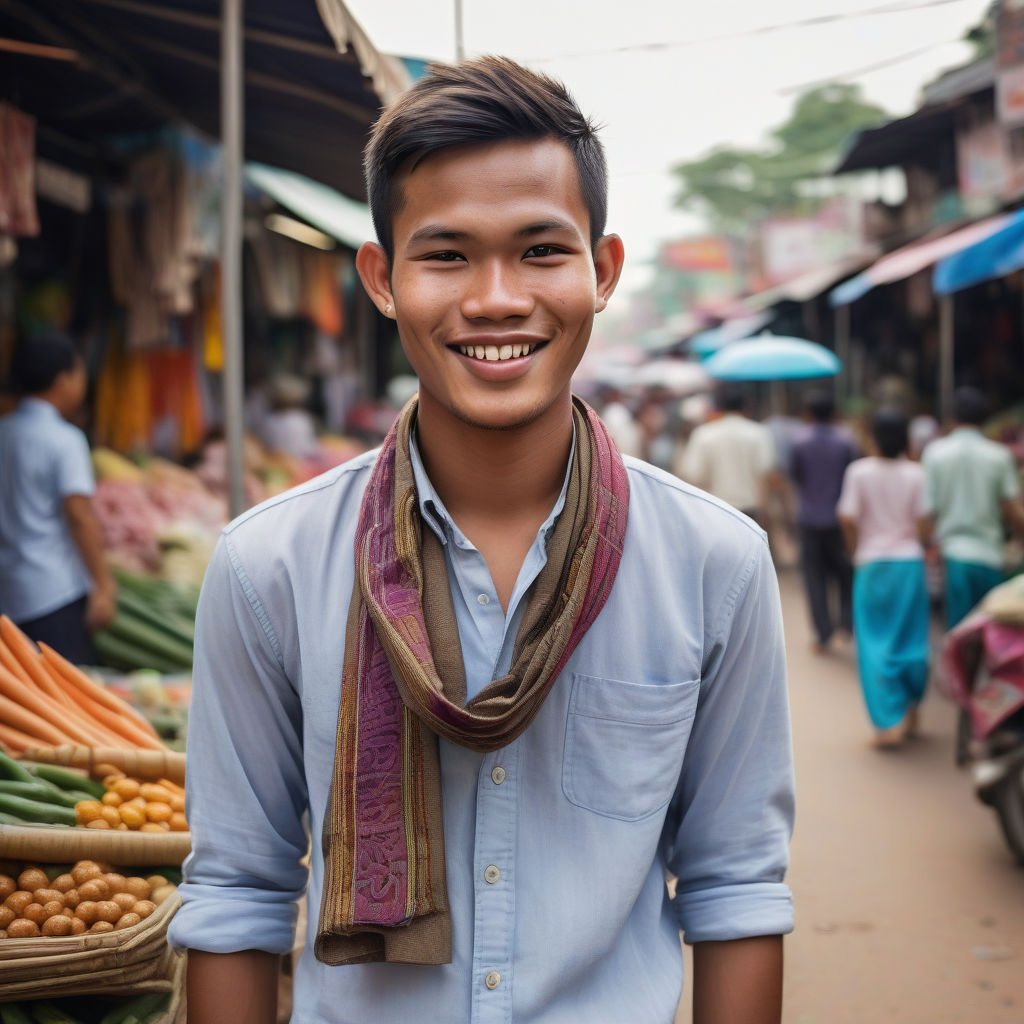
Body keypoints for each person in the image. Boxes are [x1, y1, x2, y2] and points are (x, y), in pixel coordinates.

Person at [170, 57, 794, 1024]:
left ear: (605, 270)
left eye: (542, 250)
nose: (497, 299)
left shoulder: (714, 563)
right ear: (381, 279)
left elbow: (736, 888)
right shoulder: (268, 570)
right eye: (447, 254)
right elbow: (238, 897)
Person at [0, 333, 116, 662]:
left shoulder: (3, 432)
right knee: (63, 702)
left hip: (7, 594)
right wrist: (103, 587)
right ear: (63, 379)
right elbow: (79, 515)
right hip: (53, 595)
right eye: (80, 373)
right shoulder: (65, 440)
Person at [837, 409, 931, 748]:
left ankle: (886, 724)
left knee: (875, 643)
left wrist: (855, 550)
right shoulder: (916, 473)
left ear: (873, 438)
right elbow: (924, 521)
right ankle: (912, 707)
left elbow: (846, 516)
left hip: (872, 562)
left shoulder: (859, 472)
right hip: (909, 564)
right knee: (912, 638)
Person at [922, 387, 1024, 629]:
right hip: (990, 556)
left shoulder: (935, 453)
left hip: (952, 554)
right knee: (990, 631)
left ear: (951, 417)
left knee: (957, 633)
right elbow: (1012, 509)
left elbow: (927, 512)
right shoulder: (999, 456)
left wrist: (927, 546)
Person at [788, 389, 857, 654]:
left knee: (814, 577)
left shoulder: (799, 441)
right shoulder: (846, 442)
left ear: (807, 414)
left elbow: (796, 475)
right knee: (844, 573)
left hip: (809, 518)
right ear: (835, 414)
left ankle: (822, 632)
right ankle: (846, 625)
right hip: (839, 518)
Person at [680, 384, 778, 522]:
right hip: (750, 510)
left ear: (721, 407)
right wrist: (765, 510)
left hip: (716, 507)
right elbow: (765, 472)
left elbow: (692, 474)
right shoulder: (759, 433)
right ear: (746, 407)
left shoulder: (703, 434)